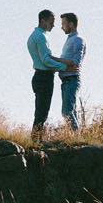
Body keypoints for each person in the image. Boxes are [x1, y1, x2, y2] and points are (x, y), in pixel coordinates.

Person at [26, 9, 74, 140]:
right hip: (44, 76)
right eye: (51, 22)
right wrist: (64, 67)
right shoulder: (40, 37)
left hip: (40, 75)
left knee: (41, 110)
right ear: (43, 20)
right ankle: (36, 139)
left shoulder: (34, 36)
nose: (53, 25)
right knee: (42, 111)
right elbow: (46, 60)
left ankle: (36, 138)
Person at [58, 12, 86, 130]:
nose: (61, 27)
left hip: (72, 79)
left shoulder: (78, 40)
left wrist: (54, 59)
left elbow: (76, 61)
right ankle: (75, 137)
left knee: (67, 111)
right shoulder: (69, 40)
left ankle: (75, 137)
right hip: (66, 80)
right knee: (71, 111)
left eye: (64, 24)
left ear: (71, 24)